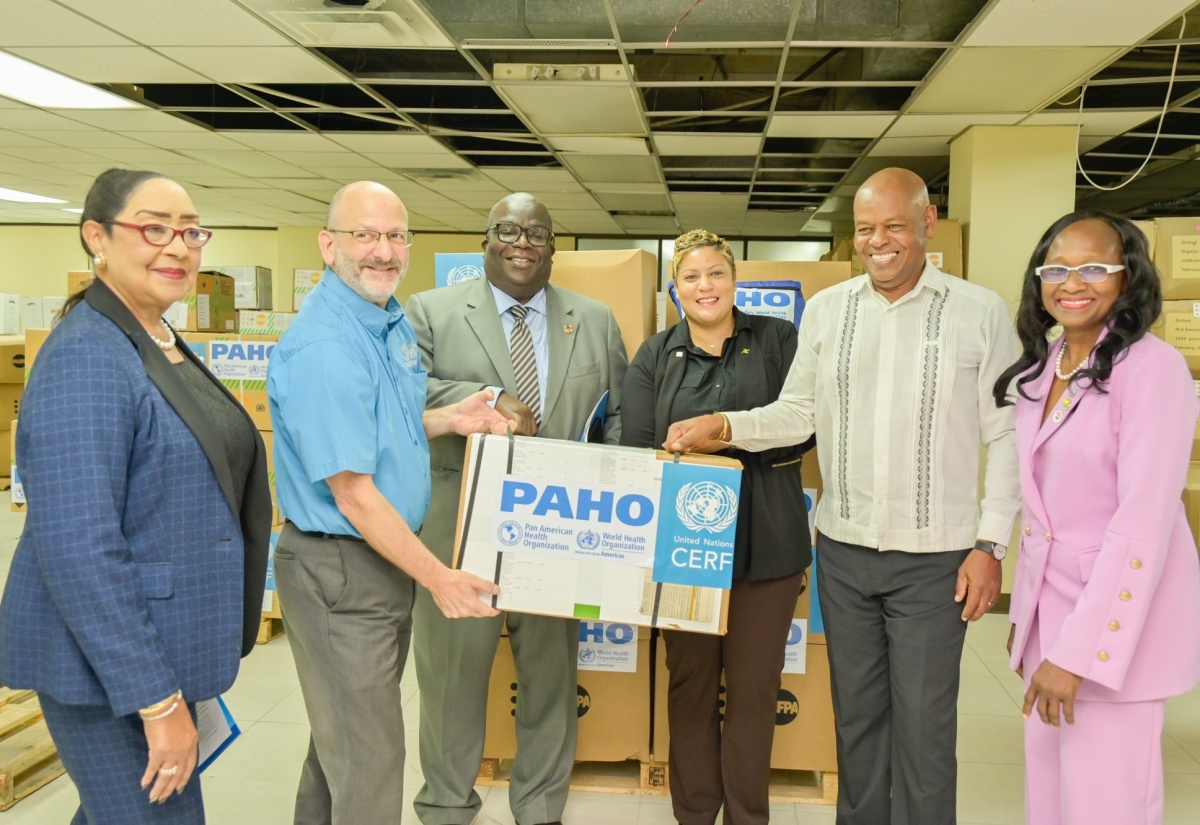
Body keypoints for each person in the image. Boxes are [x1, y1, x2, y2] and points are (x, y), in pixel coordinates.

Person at [666, 168, 1020, 825]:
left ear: (926, 223)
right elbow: (797, 413)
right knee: (856, 720)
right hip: (845, 553)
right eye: (864, 228)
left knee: (923, 726)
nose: (878, 240)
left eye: (892, 225)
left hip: (936, 558)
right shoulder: (830, 311)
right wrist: (729, 427)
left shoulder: (979, 312)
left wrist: (989, 543)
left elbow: (1008, 436)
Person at [0, 168, 272, 823]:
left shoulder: (153, 336)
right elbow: (80, 546)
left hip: (160, 646)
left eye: (190, 231)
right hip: (109, 670)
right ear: (97, 235)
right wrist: (156, 700)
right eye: (154, 228)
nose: (178, 247)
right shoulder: (86, 355)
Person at [267, 181, 509, 825]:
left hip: (374, 563)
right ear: (328, 245)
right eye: (364, 235)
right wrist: (439, 579)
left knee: (340, 745)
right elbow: (352, 493)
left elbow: (381, 427)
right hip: (341, 566)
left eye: (396, 236)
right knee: (370, 761)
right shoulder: (328, 348)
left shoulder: (382, 319)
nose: (383, 251)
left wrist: (449, 419)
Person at [405, 192, 628, 825]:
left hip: (558, 531)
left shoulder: (594, 318)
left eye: (537, 233)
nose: (522, 243)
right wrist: (487, 396)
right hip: (459, 530)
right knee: (452, 683)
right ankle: (446, 808)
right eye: (508, 230)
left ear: (555, 247)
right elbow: (402, 392)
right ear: (486, 239)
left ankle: (540, 810)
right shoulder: (430, 311)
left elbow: (618, 419)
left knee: (551, 685)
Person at [992, 211, 1200, 825]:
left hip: (1112, 631)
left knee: (1106, 808)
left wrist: (1077, 654)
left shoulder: (1152, 369)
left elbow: (1143, 522)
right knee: (1050, 804)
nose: (1071, 282)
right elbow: (1043, 510)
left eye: (1093, 268)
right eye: (1056, 268)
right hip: (1049, 620)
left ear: (1128, 278)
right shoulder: (1045, 363)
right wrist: (1029, 620)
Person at [619, 229, 813, 825]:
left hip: (769, 542)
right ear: (675, 289)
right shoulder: (655, 354)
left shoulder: (778, 338)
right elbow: (638, 449)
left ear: (734, 279)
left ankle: (748, 817)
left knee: (755, 694)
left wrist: (725, 432)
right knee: (692, 687)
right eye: (691, 277)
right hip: (686, 548)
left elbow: (803, 427)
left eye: (716, 273)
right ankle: (695, 813)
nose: (705, 286)